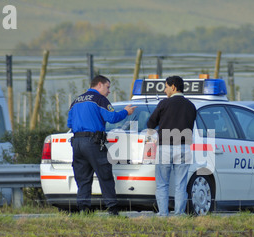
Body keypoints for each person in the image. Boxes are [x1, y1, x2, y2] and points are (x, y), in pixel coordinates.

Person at [67, 75, 136, 215]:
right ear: (99, 85)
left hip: (77, 143)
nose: (109, 91)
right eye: (108, 87)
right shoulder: (99, 99)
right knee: (105, 175)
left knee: (83, 178)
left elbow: (69, 123)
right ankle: (113, 210)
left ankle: (83, 210)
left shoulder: (76, 101)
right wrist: (126, 112)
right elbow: (112, 118)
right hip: (93, 143)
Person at [147, 76, 197, 216]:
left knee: (162, 183)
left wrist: (158, 128)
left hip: (165, 147)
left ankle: (163, 214)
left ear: (173, 87)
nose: (165, 90)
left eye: (166, 87)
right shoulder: (191, 106)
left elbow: (150, 124)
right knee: (181, 184)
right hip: (183, 148)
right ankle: (179, 214)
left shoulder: (164, 104)